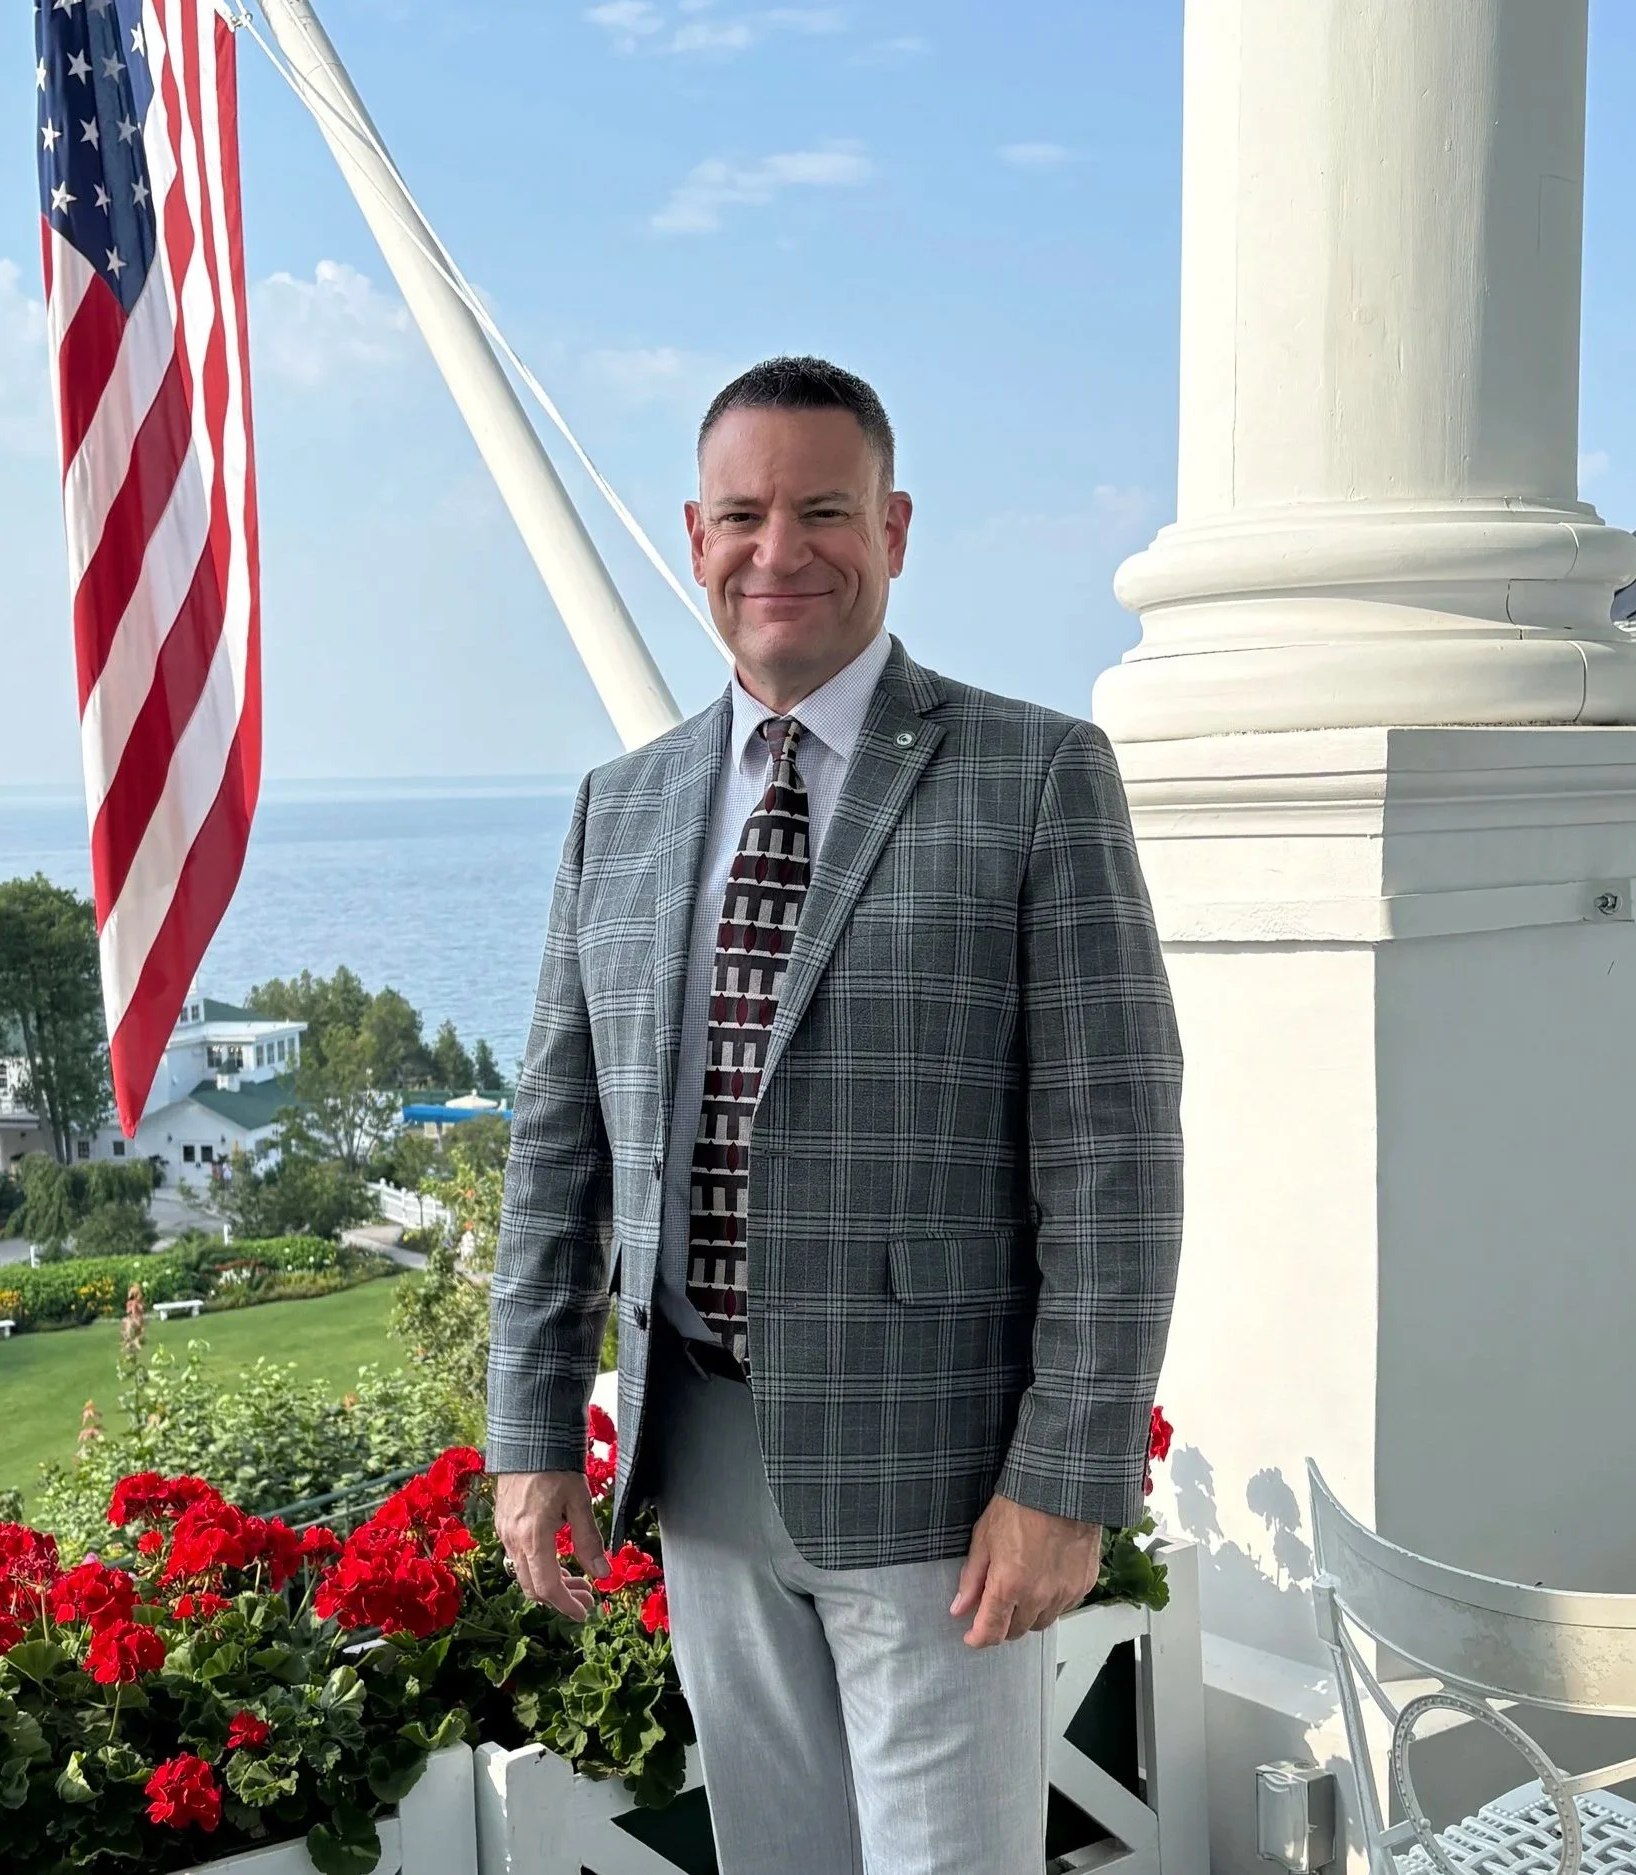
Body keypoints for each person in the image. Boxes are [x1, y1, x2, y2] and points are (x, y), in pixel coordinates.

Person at [486, 356, 1184, 1875]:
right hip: (708, 1465)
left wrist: (1068, 1478)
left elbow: (1114, 1160)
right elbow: (559, 1149)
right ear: (693, 533)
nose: (779, 550)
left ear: (897, 525)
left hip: (940, 1481)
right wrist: (532, 1426)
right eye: (743, 513)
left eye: (823, 509)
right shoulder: (623, 804)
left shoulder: (1036, 775)